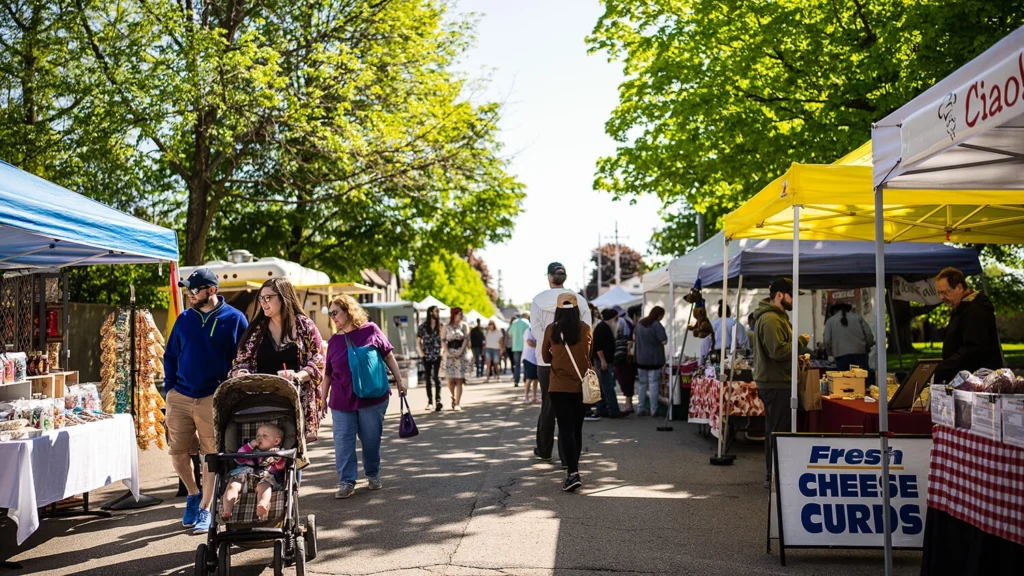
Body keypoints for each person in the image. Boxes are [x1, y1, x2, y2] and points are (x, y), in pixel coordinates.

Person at [163, 267, 248, 534]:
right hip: (180, 396)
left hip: (213, 396)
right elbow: (171, 355)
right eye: (188, 290)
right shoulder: (184, 319)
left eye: (194, 290)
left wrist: (230, 394)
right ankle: (192, 494)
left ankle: (205, 509)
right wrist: (170, 390)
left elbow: (243, 359)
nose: (189, 294)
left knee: (210, 455)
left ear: (211, 290)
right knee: (177, 453)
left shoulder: (235, 319)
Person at [321, 295, 407, 498]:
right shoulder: (334, 341)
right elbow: (328, 373)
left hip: (372, 397)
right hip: (342, 400)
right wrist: (322, 398)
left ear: (348, 311)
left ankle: (372, 474)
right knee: (343, 441)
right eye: (330, 313)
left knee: (370, 439)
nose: (332, 317)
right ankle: (346, 481)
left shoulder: (371, 330)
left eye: (335, 312)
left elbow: (388, 355)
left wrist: (400, 381)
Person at [229, 278, 326, 443]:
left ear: (283, 297)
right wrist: (239, 372)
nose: (264, 303)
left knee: (293, 451)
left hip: (295, 401)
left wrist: (298, 376)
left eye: (269, 298)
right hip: (262, 403)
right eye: (261, 298)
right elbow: (240, 362)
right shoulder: (257, 330)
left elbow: (318, 362)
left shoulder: (304, 326)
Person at [530, 262, 592, 462]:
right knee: (572, 411)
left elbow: (536, 329)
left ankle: (544, 448)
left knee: (548, 407)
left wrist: (550, 346)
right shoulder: (580, 301)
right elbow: (588, 331)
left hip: (546, 360)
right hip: (574, 361)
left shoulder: (538, 301)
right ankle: (568, 457)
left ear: (549, 277)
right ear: (564, 277)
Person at [752, 278, 807, 488]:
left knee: (776, 429)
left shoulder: (776, 318)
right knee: (777, 431)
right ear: (780, 295)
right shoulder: (772, 320)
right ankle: (774, 476)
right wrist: (800, 342)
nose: (794, 301)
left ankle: (775, 474)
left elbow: (780, 350)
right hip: (776, 383)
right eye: (792, 296)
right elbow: (778, 351)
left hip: (777, 381)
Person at [542, 292, 593, 493]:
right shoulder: (586, 329)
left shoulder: (551, 330)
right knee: (577, 428)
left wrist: (558, 355)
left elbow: (545, 357)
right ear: (577, 309)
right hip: (580, 385)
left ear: (557, 310)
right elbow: (588, 356)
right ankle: (574, 469)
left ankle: (572, 473)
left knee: (564, 429)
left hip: (558, 386)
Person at [934, 267, 1004, 383]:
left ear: (959, 287)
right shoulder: (962, 305)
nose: (941, 297)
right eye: (939, 293)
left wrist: (945, 367)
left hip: (978, 378)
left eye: (945, 292)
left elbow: (973, 347)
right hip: (966, 376)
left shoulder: (976, 309)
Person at [221, 423, 286, 521]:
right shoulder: (250, 450)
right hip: (244, 477)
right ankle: (227, 509)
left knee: (265, 487)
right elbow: (239, 459)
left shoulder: (277, 452)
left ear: (276, 441)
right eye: (258, 435)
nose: (259, 438)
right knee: (232, 485)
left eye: (264, 435)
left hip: (265, 479)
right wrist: (249, 445)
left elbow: (280, 468)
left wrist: (278, 457)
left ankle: (262, 505)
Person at [633, 306, 668, 417]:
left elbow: (634, 337)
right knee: (653, 385)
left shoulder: (640, 324)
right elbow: (664, 341)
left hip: (640, 359)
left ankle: (640, 408)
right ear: (659, 315)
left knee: (642, 385)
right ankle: (654, 410)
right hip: (654, 360)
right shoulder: (656, 325)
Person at [823, 302, 874, 371]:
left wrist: (830, 354)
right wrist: (867, 347)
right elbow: (869, 335)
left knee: (845, 381)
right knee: (862, 380)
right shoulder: (858, 317)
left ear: (834, 311)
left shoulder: (830, 321)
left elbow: (827, 340)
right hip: (860, 354)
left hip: (841, 357)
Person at [593, 308, 623, 418]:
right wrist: (603, 361)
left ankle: (602, 408)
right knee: (608, 386)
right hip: (603, 361)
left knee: (603, 386)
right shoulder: (603, 328)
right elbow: (598, 347)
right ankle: (613, 410)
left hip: (603, 360)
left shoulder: (603, 327)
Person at [442, 307, 473, 410]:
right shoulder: (446, 326)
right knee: (450, 379)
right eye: (459, 314)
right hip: (450, 353)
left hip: (461, 353)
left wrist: (461, 350)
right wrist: (447, 352)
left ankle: (458, 403)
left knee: (459, 379)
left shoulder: (464, 325)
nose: (461, 316)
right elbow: (443, 340)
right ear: (454, 314)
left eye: (461, 314)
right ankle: (453, 396)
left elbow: (466, 339)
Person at [417, 305, 444, 412]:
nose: (437, 313)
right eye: (436, 311)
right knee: (428, 378)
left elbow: (443, 340)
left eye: (438, 311)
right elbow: (418, 341)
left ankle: (438, 400)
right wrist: (422, 353)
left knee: (437, 377)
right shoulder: (423, 327)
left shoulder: (441, 326)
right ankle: (430, 402)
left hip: (438, 354)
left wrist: (442, 351)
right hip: (427, 355)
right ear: (430, 313)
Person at [614, 305, 638, 413]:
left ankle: (628, 404)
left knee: (624, 379)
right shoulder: (630, 322)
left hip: (622, 355)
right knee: (629, 379)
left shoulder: (621, 321)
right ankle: (629, 404)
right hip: (629, 356)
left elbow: (616, 334)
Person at [508, 312, 529, 388]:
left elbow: (510, 334)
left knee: (517, 365)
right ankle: (525, 380)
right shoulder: (526, 322)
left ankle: (516, 381)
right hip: (525, 347)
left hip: (516, 347)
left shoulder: (514, 323)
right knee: (525, 365)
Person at [522, 325, 540, 404]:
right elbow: (529, 342)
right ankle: (526, 397)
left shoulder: (537, 330)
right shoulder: (528, 330)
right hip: (529, 358)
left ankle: (534, 397)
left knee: (535, 378)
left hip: (535, 359)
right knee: (529, 378)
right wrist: (539, 346)